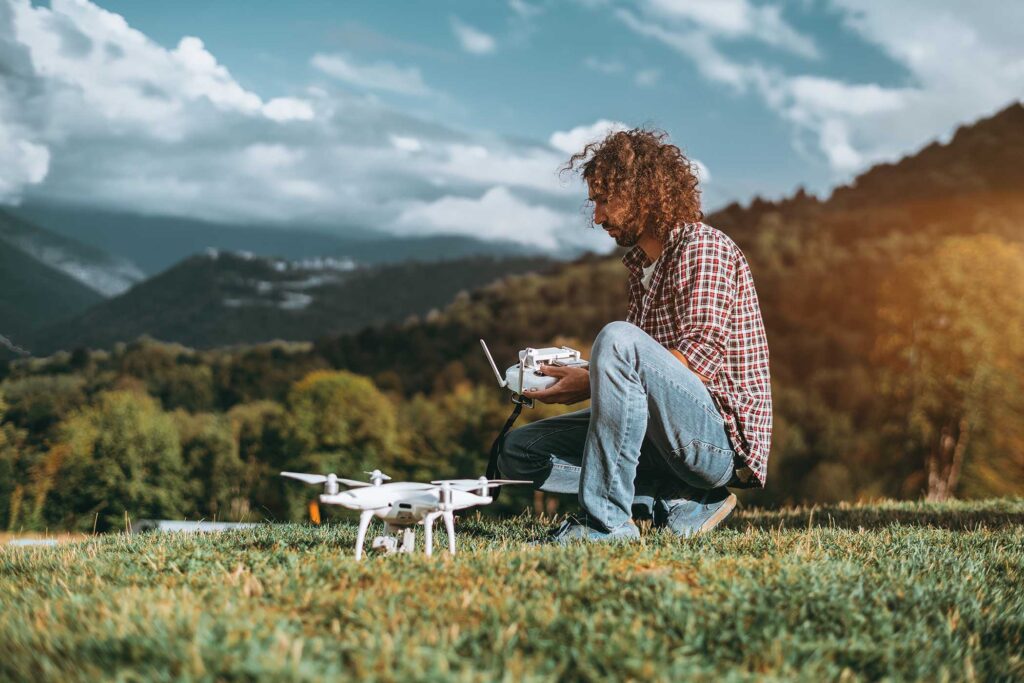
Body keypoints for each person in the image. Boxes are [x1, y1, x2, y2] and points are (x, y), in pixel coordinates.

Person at [497, 128, 772, 542]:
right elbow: (641, 381)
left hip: (716, 444)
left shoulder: (704, 247)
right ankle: (681, 499)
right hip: (663, 439)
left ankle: (607, 525)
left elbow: (695, 364)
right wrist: (584, 377)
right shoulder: (642, 270)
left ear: (643, 194)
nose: (598, 217)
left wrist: (592, 379)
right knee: (517, 452)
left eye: (604, 200)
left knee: (617, 338)